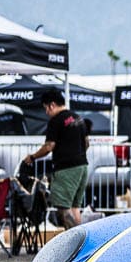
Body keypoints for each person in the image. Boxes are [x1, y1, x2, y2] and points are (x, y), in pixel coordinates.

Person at [24, 90, 88, 228]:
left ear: (52, 105)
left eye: (45, 108)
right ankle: (81, 245)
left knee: (63, 208)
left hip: (66, 169)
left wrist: (32, 157)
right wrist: (78, 154)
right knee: (75, 207)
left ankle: (73, 241)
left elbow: (49, 146)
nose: (46, 112)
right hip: (82, 166)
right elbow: (86, 142)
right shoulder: (78, 118)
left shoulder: (56, 121)